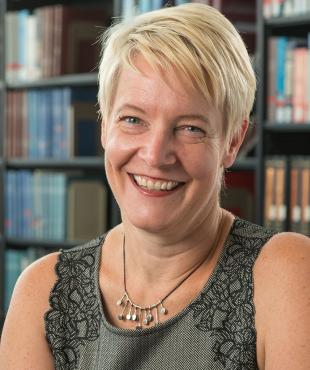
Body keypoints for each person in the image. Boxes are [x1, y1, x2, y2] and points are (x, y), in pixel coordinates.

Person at [0, 3, 310, 369]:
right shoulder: (43, 292)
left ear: (232, 142)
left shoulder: (287, 272)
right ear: (104, 126)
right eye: (133, 119)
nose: (155, 154)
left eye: (190, 128)